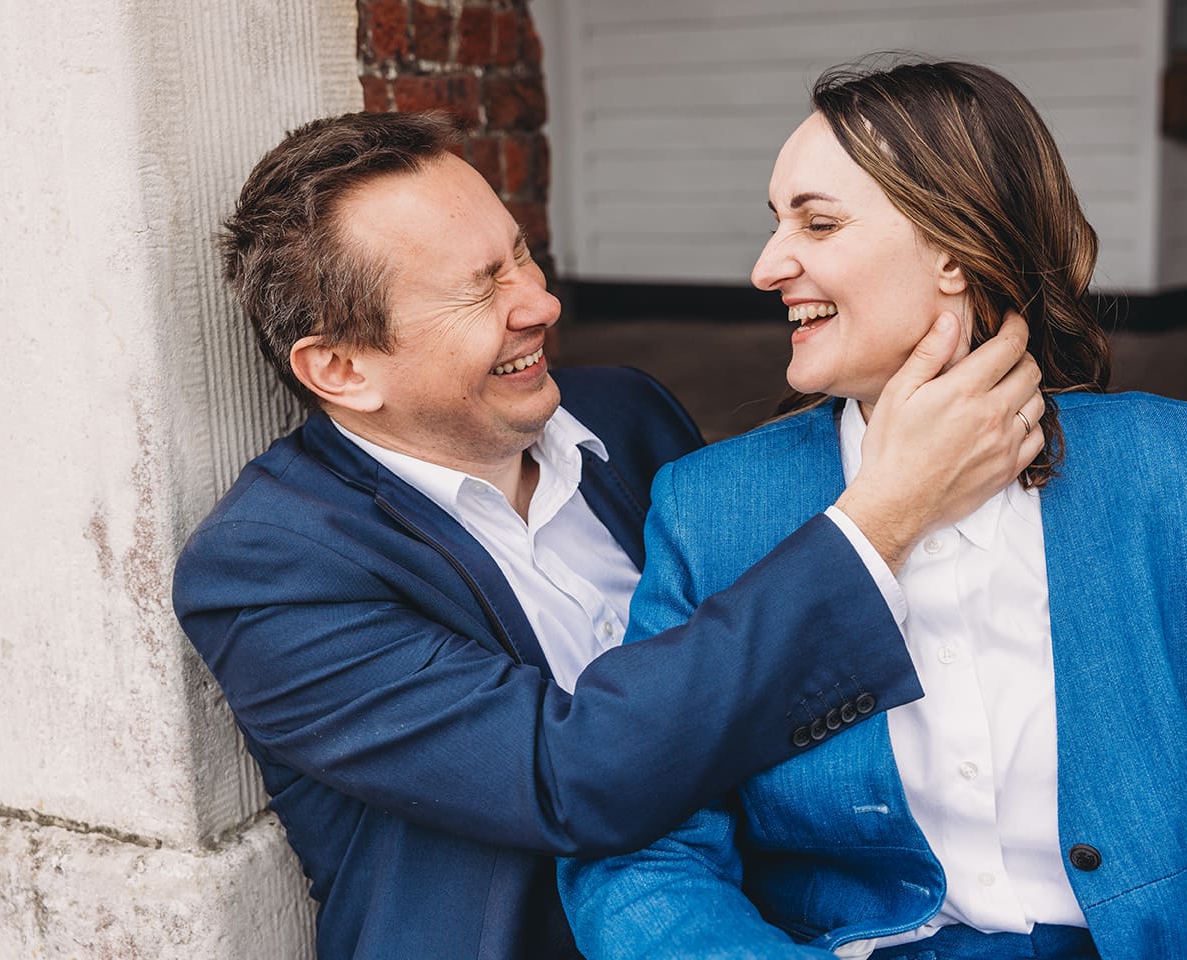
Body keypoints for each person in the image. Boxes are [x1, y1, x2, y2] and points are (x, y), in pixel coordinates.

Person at [170, 110, 1046, 960]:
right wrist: (883, 518)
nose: (541, 302)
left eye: (519, 255)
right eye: (481, 287)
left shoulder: (625, 416)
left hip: (745, 919)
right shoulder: (268, 570)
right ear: (342, 368)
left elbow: (747, 672)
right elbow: (570, 777)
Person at [559, 60, 1187, 960]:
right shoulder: (714, 506)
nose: (768, 266)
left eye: (818, 222)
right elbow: (643, 858)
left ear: (957, 252)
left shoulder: (1168, 469)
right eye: (775, 224)